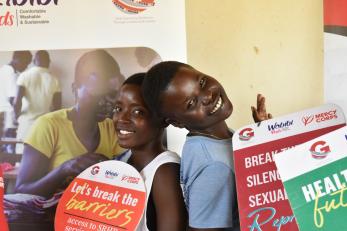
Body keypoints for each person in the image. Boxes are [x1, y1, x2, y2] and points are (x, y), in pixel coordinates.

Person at [142, 61, 272, 231]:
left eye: (202, 82)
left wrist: (264, 136)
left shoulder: (212, 140)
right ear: (177, 122)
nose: (208, 96)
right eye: (191, 103)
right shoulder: (213, 166)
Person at [14, 49, 125, 198]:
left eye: (111, 95)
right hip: (50, 219)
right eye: (96, 94)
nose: (105, 103)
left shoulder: (112, 128)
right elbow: (21, 190)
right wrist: (65, 169)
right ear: (74, 89)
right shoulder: (48, 126)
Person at [113, 73, 188, 231]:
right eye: (118, 108)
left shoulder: (164, 171)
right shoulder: (126, 163)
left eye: (137, 112)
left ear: (164, 119)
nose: (122, 118)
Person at [13, 50, 62, 149]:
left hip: (26, 125)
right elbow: (57, 107)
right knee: (41, 158)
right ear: (48, 62)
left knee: (22, 158)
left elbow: (17, 102)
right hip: (44, 126)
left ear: (34, 61)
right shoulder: (54, 80)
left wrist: (16, 117)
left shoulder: (24, 76)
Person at [0, 51, 32, 152]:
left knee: (4, 149)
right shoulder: (12, 73)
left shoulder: (3, 69)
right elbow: (13, 99)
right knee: (11, 150)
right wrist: (17, 117)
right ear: (17, 59)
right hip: (9, 116)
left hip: (2, 113)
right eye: (25, 63)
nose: (26, 67)